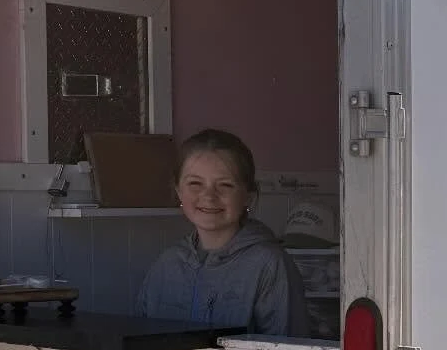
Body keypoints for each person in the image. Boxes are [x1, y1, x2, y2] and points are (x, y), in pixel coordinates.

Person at [136, 129, 317, 337]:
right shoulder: (166, 264)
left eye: (225, 185)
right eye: (195, 183)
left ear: (248, 197)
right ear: (178, 191)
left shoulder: (269, 265)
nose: (209, 196)